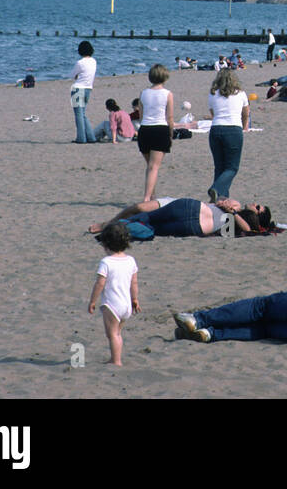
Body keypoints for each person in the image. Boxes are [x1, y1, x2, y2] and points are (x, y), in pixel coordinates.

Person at [88, 222, 140, 366]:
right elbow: (134, 283)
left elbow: (100, 283)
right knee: (117, 333)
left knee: (112, 334)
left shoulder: (106, 262)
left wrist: (93, 301)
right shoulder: (130, 260)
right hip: (126, 305)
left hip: (112, 305)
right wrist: (135, 299)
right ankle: (115, 358)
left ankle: (116, 361)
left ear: (106, 244)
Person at [90, 197, 272, 237]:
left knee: (151, 227)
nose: (255, 202)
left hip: (193, 224)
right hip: (190, 210)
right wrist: (225, 206)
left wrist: (231, 212)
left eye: (258, 207)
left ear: (258, 215)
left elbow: (249, 229)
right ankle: (110, 227)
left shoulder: (239, 226)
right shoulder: (236, 206)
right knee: (147, 218)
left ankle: (114, 229)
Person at [207, 68, 249, 200]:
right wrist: (244, 126)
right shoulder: (240, 94)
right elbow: (246, 113)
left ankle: (220, 199)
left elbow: (213, 113)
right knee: (232, 167)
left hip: (216, 129)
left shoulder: (213, 93)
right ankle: (217, 189)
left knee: (219, 167)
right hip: (233, 129)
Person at [137, 64, 174, 202]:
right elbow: (169, 117)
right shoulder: (167, 94)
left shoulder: (143, 93)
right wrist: (171, 133)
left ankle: (152, 196)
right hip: (160, 129)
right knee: (154, 167)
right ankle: (147, 198)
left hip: (145, 129)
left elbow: (141, 115)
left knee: (150, 167)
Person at [69, 40, 97, 142]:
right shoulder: (94, 61)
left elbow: (72, 75)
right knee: (83, 114)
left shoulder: (80, 63)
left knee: (78, 115)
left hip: (78, 88)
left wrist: (77, 75)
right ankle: (91, 137)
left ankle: (81, 138)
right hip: (88, 88)